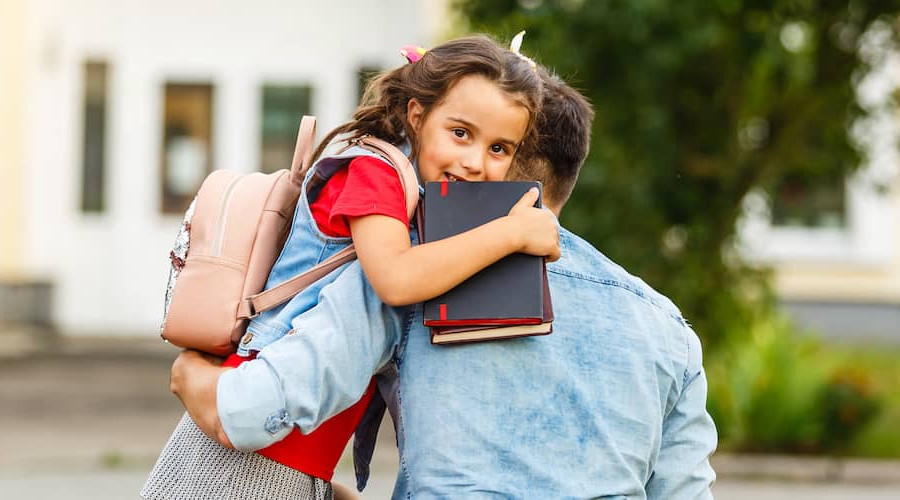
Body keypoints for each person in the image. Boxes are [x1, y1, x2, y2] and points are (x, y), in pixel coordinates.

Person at [170, 69, 719, 498]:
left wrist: (191, 372)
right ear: (568, 172)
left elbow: (250, 412)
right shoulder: (666, 328)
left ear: (500, 165)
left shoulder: (416, 277)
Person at [143, 35, 562, 499]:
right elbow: (396, 279)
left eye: (499, 149)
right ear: (417, 115)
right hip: (245, 460)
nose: (475, 162)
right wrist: (513, 233)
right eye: (460, 133)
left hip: (285, 455)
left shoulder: (420, 201)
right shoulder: (374, 171)